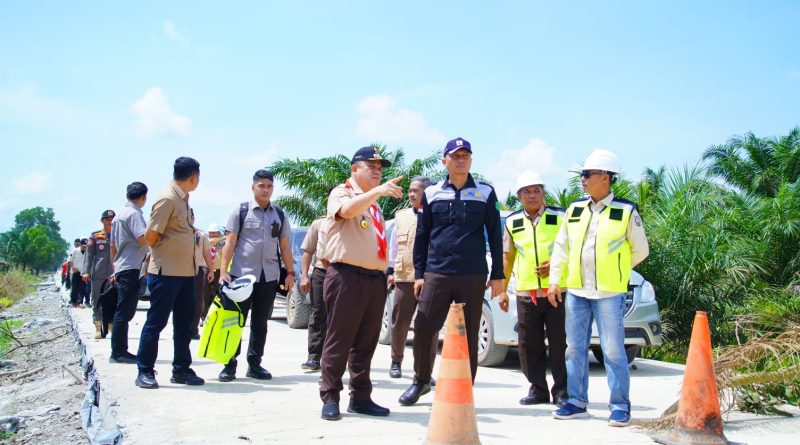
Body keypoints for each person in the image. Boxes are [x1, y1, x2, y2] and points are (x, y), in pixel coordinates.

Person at [547, 149, 649, 427]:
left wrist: (617, 268)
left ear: (605, 177)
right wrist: (555, 280)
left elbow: (640, 249)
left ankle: (620, 406)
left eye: (587, 174)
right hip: (577, 291)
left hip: (609, 292)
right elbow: (561, 248)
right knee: (574, 348)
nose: (582, 179)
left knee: (613, 350)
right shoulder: (575, 209)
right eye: (582, 174)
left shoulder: (625, 211)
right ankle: (577, 402)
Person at [399, 137, 504, 406]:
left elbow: (495, 234)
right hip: (437, 273)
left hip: (472, 274)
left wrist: (498, 275)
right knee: (424, 326)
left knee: (468, 333)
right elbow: (422, 236)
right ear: (444, 161)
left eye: (465, 156)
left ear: (471, 160)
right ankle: (421, 381)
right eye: (455, 156)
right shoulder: (432, 193)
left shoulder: (485, 192)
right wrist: (419, 274)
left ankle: (465, 389)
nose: (461, 160)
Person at [318, 146, 402, 421]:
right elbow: (345, 212)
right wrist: (377, 192)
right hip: (346, 276)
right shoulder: (342, 192)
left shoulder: (373, 205)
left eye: (380, 168)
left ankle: (361, 397)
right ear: (355, 169)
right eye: (371, 166)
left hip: (374, 280)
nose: (377, 171)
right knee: (339, 339)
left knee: (366, 343)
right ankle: (330, 396)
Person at [498, 171, 568, 408]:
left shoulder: (560, 216)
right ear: (519, 196)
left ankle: (562, 391)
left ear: (544, 193)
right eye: (526, 192)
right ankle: (538, 390)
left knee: (558, 343)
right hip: (526, 293)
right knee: (528, 344)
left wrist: (555, 264)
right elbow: (508, 257)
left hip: (556, 291)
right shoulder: (512, 222)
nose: (532, 195)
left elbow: (573, 248)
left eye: (537, 190)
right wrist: (502, 290)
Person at [217, 169, 295, 382]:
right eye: (261, 186)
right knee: (234, 322)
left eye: (269, 186)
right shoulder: (241, 211)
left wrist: (290, 273)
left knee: (260, 323)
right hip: (241, 277)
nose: (265, 190)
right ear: (253, 187)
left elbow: (285, 246)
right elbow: (229, 243)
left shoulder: (279, 214)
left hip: (267, 278)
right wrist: (223, 272)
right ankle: (229, 365)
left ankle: (254, 364)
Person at [136, 156, 205, 389]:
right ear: (193, 177)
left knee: (184, 324)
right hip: (166, 273)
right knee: (156, 323)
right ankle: (145, 370)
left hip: (186, 272)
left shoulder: (183, 199)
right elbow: (151, 237)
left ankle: (181, 369)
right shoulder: (167, 199)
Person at [386, 176, 438, 379]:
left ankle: (424, 370)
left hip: (429, 278)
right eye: (410, 190)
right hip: (405, 276)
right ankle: (396, 361)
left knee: (428, 326)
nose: (411, 194)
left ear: (427, 193)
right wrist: (390, 271)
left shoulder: (437, 216)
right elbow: (394, 246)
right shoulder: (401, 217)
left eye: (416, 190)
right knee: (400, 322)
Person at [109, 182, 149, 364]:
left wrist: (114, 268)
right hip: (131, 266)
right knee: (124, 312)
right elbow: (142, 239)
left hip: (122, 265)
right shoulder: (134, 214)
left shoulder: (118, 216)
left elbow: (112, 246)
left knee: (123, 310)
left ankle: (119, 350)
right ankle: (119, 352)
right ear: (144, 197)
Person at [299, 216, 328, 371]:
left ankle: (335, 358)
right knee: (318, 313)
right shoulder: (319, 223)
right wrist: (304, 276)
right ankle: (314, 357)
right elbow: (308, 251)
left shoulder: (351, 222)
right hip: (321, 272)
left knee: (342, 317)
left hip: (345, 273)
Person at [83, 210, 115, 338]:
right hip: (98, 274)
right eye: (107, 219)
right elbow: (89, 255)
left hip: (114, 274)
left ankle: (111, 325)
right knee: (96, 300)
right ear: (102, 221)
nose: (110, 221)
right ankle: (98, 326)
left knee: (113, 300)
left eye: (112, 219)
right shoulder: (95, 236)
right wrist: (86, 271)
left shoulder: (119, 234)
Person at [190, 226, 214, 339]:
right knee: (181, 302)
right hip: (179, 269)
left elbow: (206, 253)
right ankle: (180, 330)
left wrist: (211, 270)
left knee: (197, 302)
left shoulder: (201, 234)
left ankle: (193, 330)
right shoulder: (178, 231)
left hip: (197, 269)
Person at [201, 223, 225, 320]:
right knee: (204, 293)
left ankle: (218, 314)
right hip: (206, 269)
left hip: (219, 270)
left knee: (219, 293)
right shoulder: (207, 240)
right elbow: (212, 241)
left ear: (219, 233)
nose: (212, 234)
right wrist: (225, 237)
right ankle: (203, 316)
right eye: (210, 232)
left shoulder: (223, 242)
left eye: (214, 232)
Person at [68, 239, 86, 308]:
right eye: (83, 246)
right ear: (80, 245)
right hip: (76, 272)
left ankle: (80, 302)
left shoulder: (88, 252)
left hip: (83, 272)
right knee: (74, 288)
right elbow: (69, 261)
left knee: (82, 288)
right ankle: (73, 302)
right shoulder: (75, 251)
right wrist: (73, 267)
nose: (84, 247)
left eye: (86, 246)